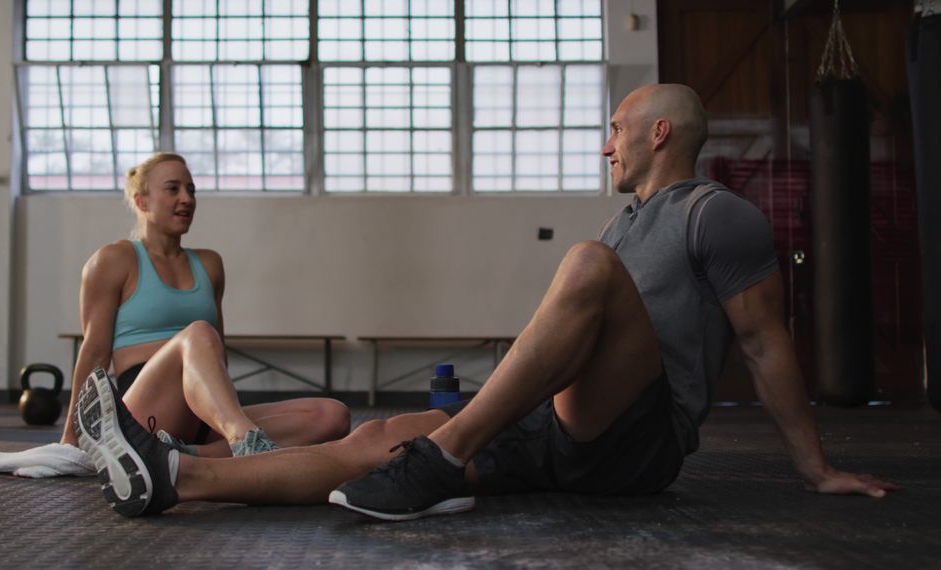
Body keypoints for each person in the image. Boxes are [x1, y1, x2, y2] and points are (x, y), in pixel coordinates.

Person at [74, 85, 897, 519]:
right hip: (560, 428)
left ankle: (442, 459)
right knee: (381, 434)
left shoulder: (715, 213)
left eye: (617, 127)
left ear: (659, 134)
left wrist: (814, 469)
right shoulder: (626, 220)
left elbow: (763, 342)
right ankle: (180, 478)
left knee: (582, 267)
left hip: (642, 441)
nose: (605, 141)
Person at [60, 152, 350, 459]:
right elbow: (94, 352)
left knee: (332, 415)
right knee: (198, 332)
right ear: (142, 201)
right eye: (173, 189)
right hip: (143, 412)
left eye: (191, 190)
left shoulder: (210, 265)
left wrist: (226, 408)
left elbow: (218, 352)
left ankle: (188, 455)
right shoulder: (113, 260)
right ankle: (243, 440)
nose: (186, 199)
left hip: (204, 413)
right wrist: (70, 438)